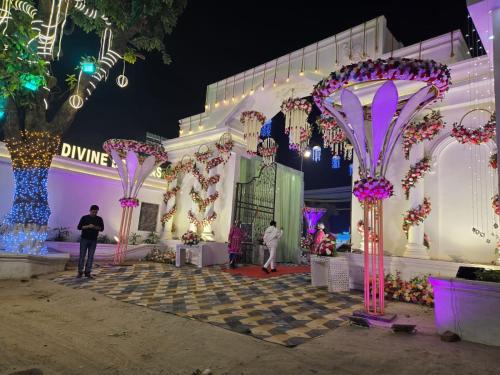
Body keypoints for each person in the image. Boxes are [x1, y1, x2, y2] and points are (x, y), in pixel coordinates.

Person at [77, 205, 104, 278]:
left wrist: (94, 227)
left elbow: (101, 229)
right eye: (93, 212)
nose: (94, 213)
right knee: (82, 256)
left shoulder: (99, 219)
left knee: (91, 257)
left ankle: (87, 272)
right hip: (84, 239)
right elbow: (79, 227)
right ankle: (80, 272)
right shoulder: (84, 217)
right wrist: (88, 226)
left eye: (96, 212)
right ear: (90, 211)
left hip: (93, 240)